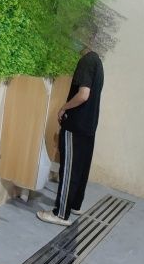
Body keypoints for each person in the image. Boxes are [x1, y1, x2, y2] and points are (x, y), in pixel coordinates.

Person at [37, 41, 104, 226]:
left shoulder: (86, 61)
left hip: (76, 124)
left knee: (69, 169)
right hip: (89, 126)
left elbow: (83, 94)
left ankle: (61, 213)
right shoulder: (97, 61)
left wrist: (63, 108)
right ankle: (74, 205)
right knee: (80, 168)